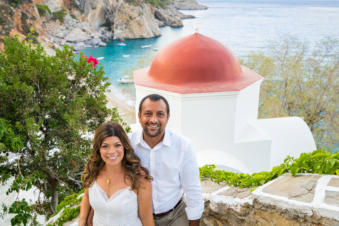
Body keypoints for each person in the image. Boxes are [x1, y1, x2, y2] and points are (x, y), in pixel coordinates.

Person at [129, 94, 204, 226]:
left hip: (174, 216)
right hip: (138, 217)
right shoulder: (128, 144)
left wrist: (194, 221)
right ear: (139, 116)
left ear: (167, 118)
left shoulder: (183, 146)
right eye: (148, 114)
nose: (153, 120)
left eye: (160, 114)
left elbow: (193, 189)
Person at [79, 121, 154, 226]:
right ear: (98, 149)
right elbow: (87, 196)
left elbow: (147, 222)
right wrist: (82, 221)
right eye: (105, 146)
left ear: (124, 146)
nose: (112, 151)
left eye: (117, 145)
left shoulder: (139, 180)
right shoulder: (93, 171)